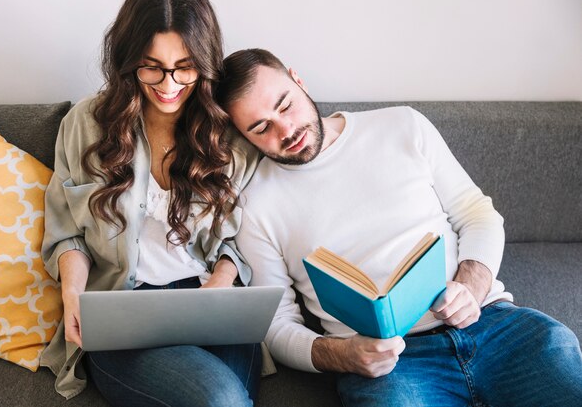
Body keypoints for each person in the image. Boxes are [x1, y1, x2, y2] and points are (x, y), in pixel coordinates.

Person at [215, 48, 582, 406]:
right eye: (261, 128)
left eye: (285, 105)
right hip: (392, 368)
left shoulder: (402, 124)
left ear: (298, 81)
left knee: (558, 355)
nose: (287, 129)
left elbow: (477, 213)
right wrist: (343, 356)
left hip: (492, 323)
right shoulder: (255, 203)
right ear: (244, 137)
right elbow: (277, 324)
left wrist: (472, 288)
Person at [40, 0, 261, 406]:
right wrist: (73, 294)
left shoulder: (229, 136)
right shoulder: (86, 126)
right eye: (152, 68)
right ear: (127, 60)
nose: (169, 86)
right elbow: (66, 233)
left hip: (209, 303)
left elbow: (242, 239)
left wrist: (221, 281)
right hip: (124, 313)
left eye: (185, 68)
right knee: (223, 399)